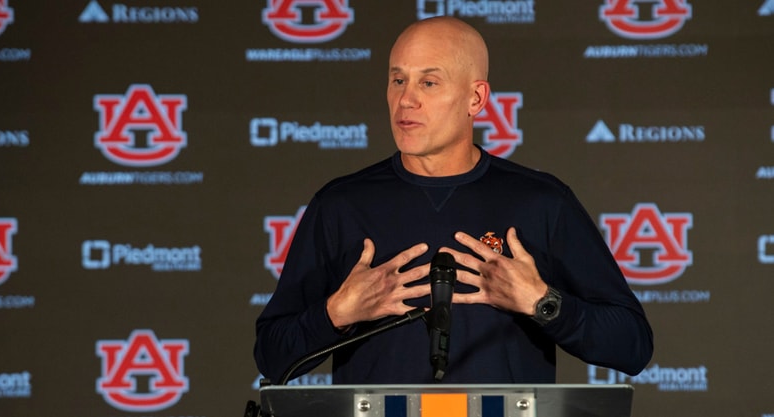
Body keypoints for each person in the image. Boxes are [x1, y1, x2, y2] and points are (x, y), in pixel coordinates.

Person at [254, 16, 653, 384]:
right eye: (397, 81)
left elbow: (632, 345)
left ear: (476, 99)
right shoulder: (340, 205)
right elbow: (271, 356)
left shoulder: (542, 202)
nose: (406, 100)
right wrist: (336, 314)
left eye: (429, 82)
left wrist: (542, 302)